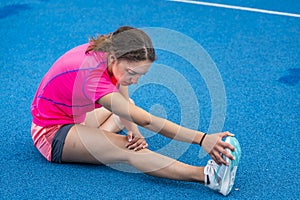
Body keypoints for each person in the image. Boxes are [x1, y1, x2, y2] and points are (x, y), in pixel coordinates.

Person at [30, 26, 241, 196]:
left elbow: (124, 100)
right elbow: (147, 120)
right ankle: (209, 177)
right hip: (51, 132)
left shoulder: (111, 52)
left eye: (141, 74)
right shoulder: (92, 77)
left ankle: (99, 141)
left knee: (126, 105)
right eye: (132, 73)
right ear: (115, 58)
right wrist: (202, 138)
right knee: (129, 150)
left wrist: (135, 132)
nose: (135, 80)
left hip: (76, 116)